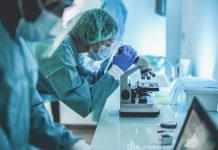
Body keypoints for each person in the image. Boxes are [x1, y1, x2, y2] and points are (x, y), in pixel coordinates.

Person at [0, 0, 92, 149]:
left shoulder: (23, 39)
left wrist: (70, 144)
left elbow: (32, 108)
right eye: (58, 9)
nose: (58, 19)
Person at [35, 8, 138, 121]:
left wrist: (112, 65)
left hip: (33, 99)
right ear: (93, 35)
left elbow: (88, 80)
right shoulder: (60, 51)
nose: (108, 49)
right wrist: (116, 70)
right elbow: (83, 103)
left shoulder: (72, 47)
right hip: (20, 100)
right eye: (108, 44)